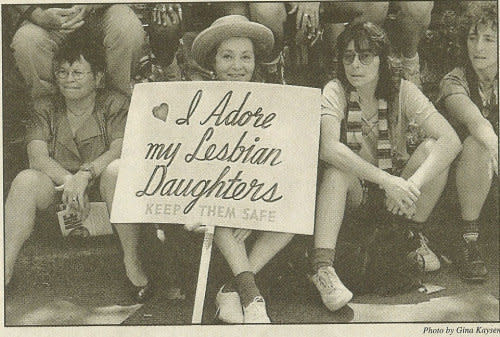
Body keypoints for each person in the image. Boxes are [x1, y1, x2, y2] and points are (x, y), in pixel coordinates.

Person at [313, 22, 461, 311]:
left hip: (397, 197)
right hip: (358, 193)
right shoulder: (335, 89)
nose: (355, 64)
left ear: (382, 58)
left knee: (434, 150)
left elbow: (451, 140)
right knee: (337, 169)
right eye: (348, 56)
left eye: (365, 56)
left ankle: (411, 236)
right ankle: (323, 270)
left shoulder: (401, 89)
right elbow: (329, 147)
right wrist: (386, 181)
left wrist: (410, 185)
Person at [4, 34, 151, 303]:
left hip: (104, 199)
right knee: (26, 179)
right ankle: (5, 269)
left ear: (97, 78)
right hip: (60, 199)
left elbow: (120, 149)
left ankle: (132, 260)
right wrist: (70, 182)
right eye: (62, 72)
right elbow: (37, 157)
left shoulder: (114, 104)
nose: (68, 78)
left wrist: (85, 175)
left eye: (77, 72)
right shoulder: (45, 107)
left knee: (117, 170)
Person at [191, 15, 294, 324]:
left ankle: (231, 289)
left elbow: (279, 162)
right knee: (217, 212)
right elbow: (192, 165)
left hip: (254, 198)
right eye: (227, 57)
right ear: (213, 62)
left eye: (245, 57)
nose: (237, 65)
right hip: (209, 203)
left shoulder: (271, 101)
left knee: (291, 217)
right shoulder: (197, 100)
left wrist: (253, 207)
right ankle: (251, 297)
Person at [436, 2, 497, 282]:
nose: (478, 48)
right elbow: (478, 124)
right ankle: (468, 241)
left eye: (488, 39)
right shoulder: (455, 80)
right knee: (478, 142)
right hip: (461, 189)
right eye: (473, 38)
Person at [11, 4, 146, 98]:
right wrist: (37, 15)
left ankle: (116, 105)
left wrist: (93, 4)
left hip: (101, 12)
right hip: (48, 16)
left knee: (127, 27)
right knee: (27, 40)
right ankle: (49, 111)